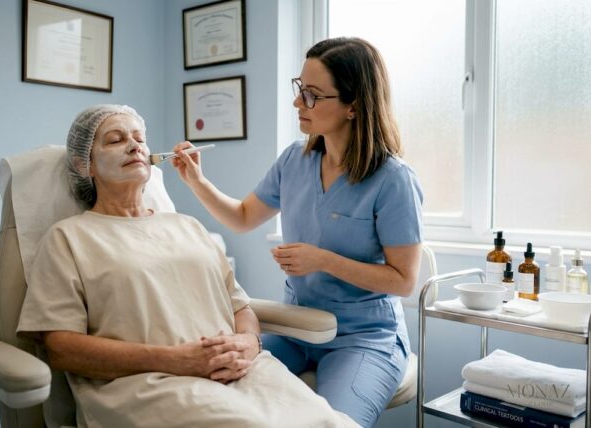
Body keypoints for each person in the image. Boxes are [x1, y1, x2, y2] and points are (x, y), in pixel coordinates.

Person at [16, 104, 357, 428]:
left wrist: (249, 343)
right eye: (116, 140)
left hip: (242, 371)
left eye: (139, 138)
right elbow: (62, 348)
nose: (134, 146)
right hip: (148, 386)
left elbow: (240, 306)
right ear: (84, 165)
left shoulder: (187, 226)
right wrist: (176, 360)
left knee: (329, 421)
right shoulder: (68, 238)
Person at [171, 37, 423, 427]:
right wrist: (196, 181)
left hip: (363, 337)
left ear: (353, 105)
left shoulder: (392, 180)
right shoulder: (296, 160)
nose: (297, 103)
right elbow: (242, 217)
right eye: (299, 89)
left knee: (331, 422)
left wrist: (322, 260)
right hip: (295, 327)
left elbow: (404, 281)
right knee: (215, 393)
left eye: (312, 95)